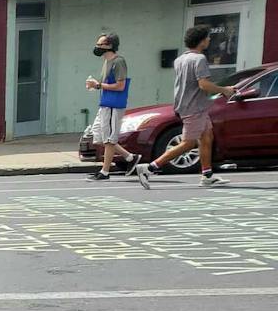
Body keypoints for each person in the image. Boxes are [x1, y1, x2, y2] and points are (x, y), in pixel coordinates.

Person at [137, 26, 236, 189]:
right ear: (202, 40)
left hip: (191, 106)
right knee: (188, 144)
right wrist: (225, 90)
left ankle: (207, 175)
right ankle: (149, 168)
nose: (209, 40)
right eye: (208, 37)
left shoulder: (180, 59)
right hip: (194, 108)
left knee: (206, 137)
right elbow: (203, 84)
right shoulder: (199, 59)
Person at [84, 33, 137, 180]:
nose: (97, 47)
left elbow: (121, 86)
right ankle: (130, 158)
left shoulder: (118, 62)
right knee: (98, 136)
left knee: (109, 139)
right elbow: (105, 84)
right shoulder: (106, 62)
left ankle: (105, 171)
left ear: (110, 46)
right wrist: (95, 85)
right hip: (105, 103)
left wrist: (99, 85)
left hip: (114, 104)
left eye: (100, 44)